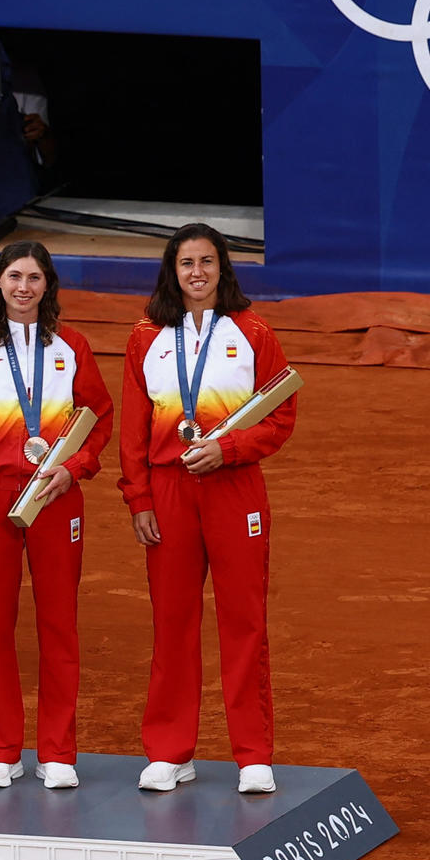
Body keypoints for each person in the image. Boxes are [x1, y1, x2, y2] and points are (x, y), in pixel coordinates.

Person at [119, 223, 297, 795]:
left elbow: (280, 416)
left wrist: (229, 448)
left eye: (206, 262)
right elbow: (132, 428)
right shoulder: (146, 337)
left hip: (233, 486)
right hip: (169, 492)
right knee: (172, 622)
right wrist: (139, 497)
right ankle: (170, 751)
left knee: (244, 622)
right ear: (172, 271)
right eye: (186, 263)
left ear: (223, 268)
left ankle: (252, 755)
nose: (196, 273)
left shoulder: (253, 332)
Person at [0, 239, 112, 789]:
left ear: (47, 286)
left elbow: (100, 417)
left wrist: (77, 467)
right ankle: (1, 749)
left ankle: (58, 752)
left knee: (59, 624)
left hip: (56, 496)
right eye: (14, 276)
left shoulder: (72, 346)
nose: (23, 287)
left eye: (34, 278)